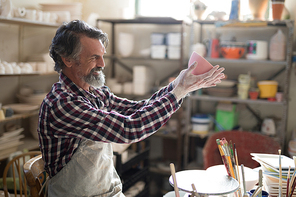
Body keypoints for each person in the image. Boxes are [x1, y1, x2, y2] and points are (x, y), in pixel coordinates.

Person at [38, 20, 225, 197]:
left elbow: (137, 109)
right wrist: (178, 92)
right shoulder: (63, 104)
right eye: (94, 58)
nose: (102, 64)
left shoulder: (94, 91)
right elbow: (130, 129)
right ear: (68, 60)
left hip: (105, 191)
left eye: (102, 56)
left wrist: (179, 86)